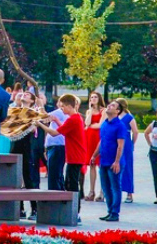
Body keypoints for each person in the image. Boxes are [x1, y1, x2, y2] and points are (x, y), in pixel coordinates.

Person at [36, 93, 86, 222]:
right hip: (74, 156)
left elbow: (53, 133)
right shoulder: (76, 118)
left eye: (63, 107)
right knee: (69, 182)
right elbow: (63, 129)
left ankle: (75, 212)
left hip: (75, 156)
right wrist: (56, 121)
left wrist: (39, 124)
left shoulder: (73, 119)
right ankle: (73, 211)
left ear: (69, 106)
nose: (62, 109)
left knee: (72, 185)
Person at [90, 100, 126, 222]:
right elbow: (101, 142)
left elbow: (120, 145)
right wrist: (94, 155)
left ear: (117, 111)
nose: (109, 106)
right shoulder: (105, 123)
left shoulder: (120, 125)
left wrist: (116, 161)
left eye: (113, 106)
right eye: (109, 105)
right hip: (103, 161)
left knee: (115, 187)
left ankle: (115, 213)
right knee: (105, 188)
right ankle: (110, 211)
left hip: (114, 162)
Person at [11, 91, 39, 220]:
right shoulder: (15, 111)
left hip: (26, 149)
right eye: (23, 94)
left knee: (28, 179)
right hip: (14, 147)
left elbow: (33, 129)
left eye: (28, 95)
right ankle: (19, 209)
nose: (24, 95)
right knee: (15, 179)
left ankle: (34, 209)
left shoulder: (33, 112)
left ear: (32, 101)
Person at [83, 91, 105, 201]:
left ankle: (102, 192)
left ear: (99, 98)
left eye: (96, 97)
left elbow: (101, 124)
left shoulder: (104, 111)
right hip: (89, 139)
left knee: (101, 165)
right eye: (91, 97)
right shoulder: (89, 111)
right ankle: (91, 191)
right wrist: (91, 111)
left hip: (99, 138)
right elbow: (87, 123)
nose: (93, 99)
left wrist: (92, 125)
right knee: (91, 164)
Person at [116, 98, 138, 203]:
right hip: (115, 144)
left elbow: (136, 131)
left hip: (126, 144)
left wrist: (132, 143)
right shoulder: (115, 117)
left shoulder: (129, 117)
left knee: (128, 167)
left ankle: (129, 193)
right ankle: (116, 191)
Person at [45, 96, 67, 191]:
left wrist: (40, 105)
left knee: (54, 174)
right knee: (57, 173)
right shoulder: (62, 113)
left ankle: (55, 195)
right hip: (55, 146)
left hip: (57, 146)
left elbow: (44, 117)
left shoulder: (59, 112)